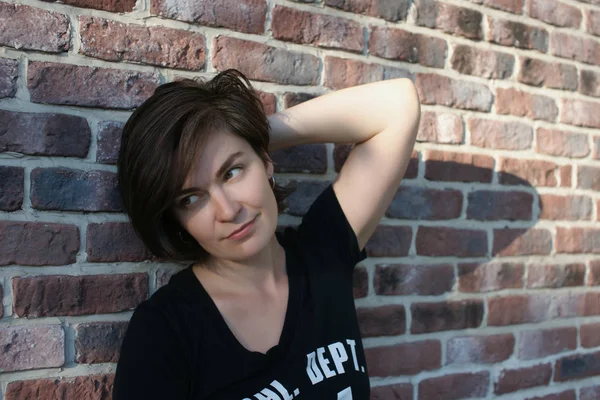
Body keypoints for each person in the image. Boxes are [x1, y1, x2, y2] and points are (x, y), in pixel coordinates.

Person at [112, 69, 420, 399]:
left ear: (265, 161)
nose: (228, 210)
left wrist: (245, 131)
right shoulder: (164, 332)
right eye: (190, 198)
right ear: (176, 218)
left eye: (232, 171)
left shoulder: (323, 255)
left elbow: (398, 103)